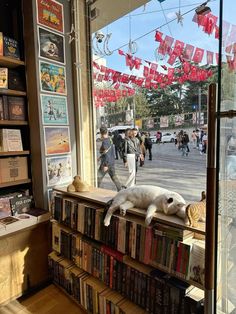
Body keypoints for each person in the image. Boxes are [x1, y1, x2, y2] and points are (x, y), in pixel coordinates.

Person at [97, 126, 122, 191]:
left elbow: (107, 154)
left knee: (98, 177)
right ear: (107, 132)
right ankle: (120, 189)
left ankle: (96, 190)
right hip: (111, 162)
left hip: (106, 163)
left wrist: (105, 165)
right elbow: (108, 152)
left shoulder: (105, 141)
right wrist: (100, 157)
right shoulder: (110, 139)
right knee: (114, 177)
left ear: (101, 133)